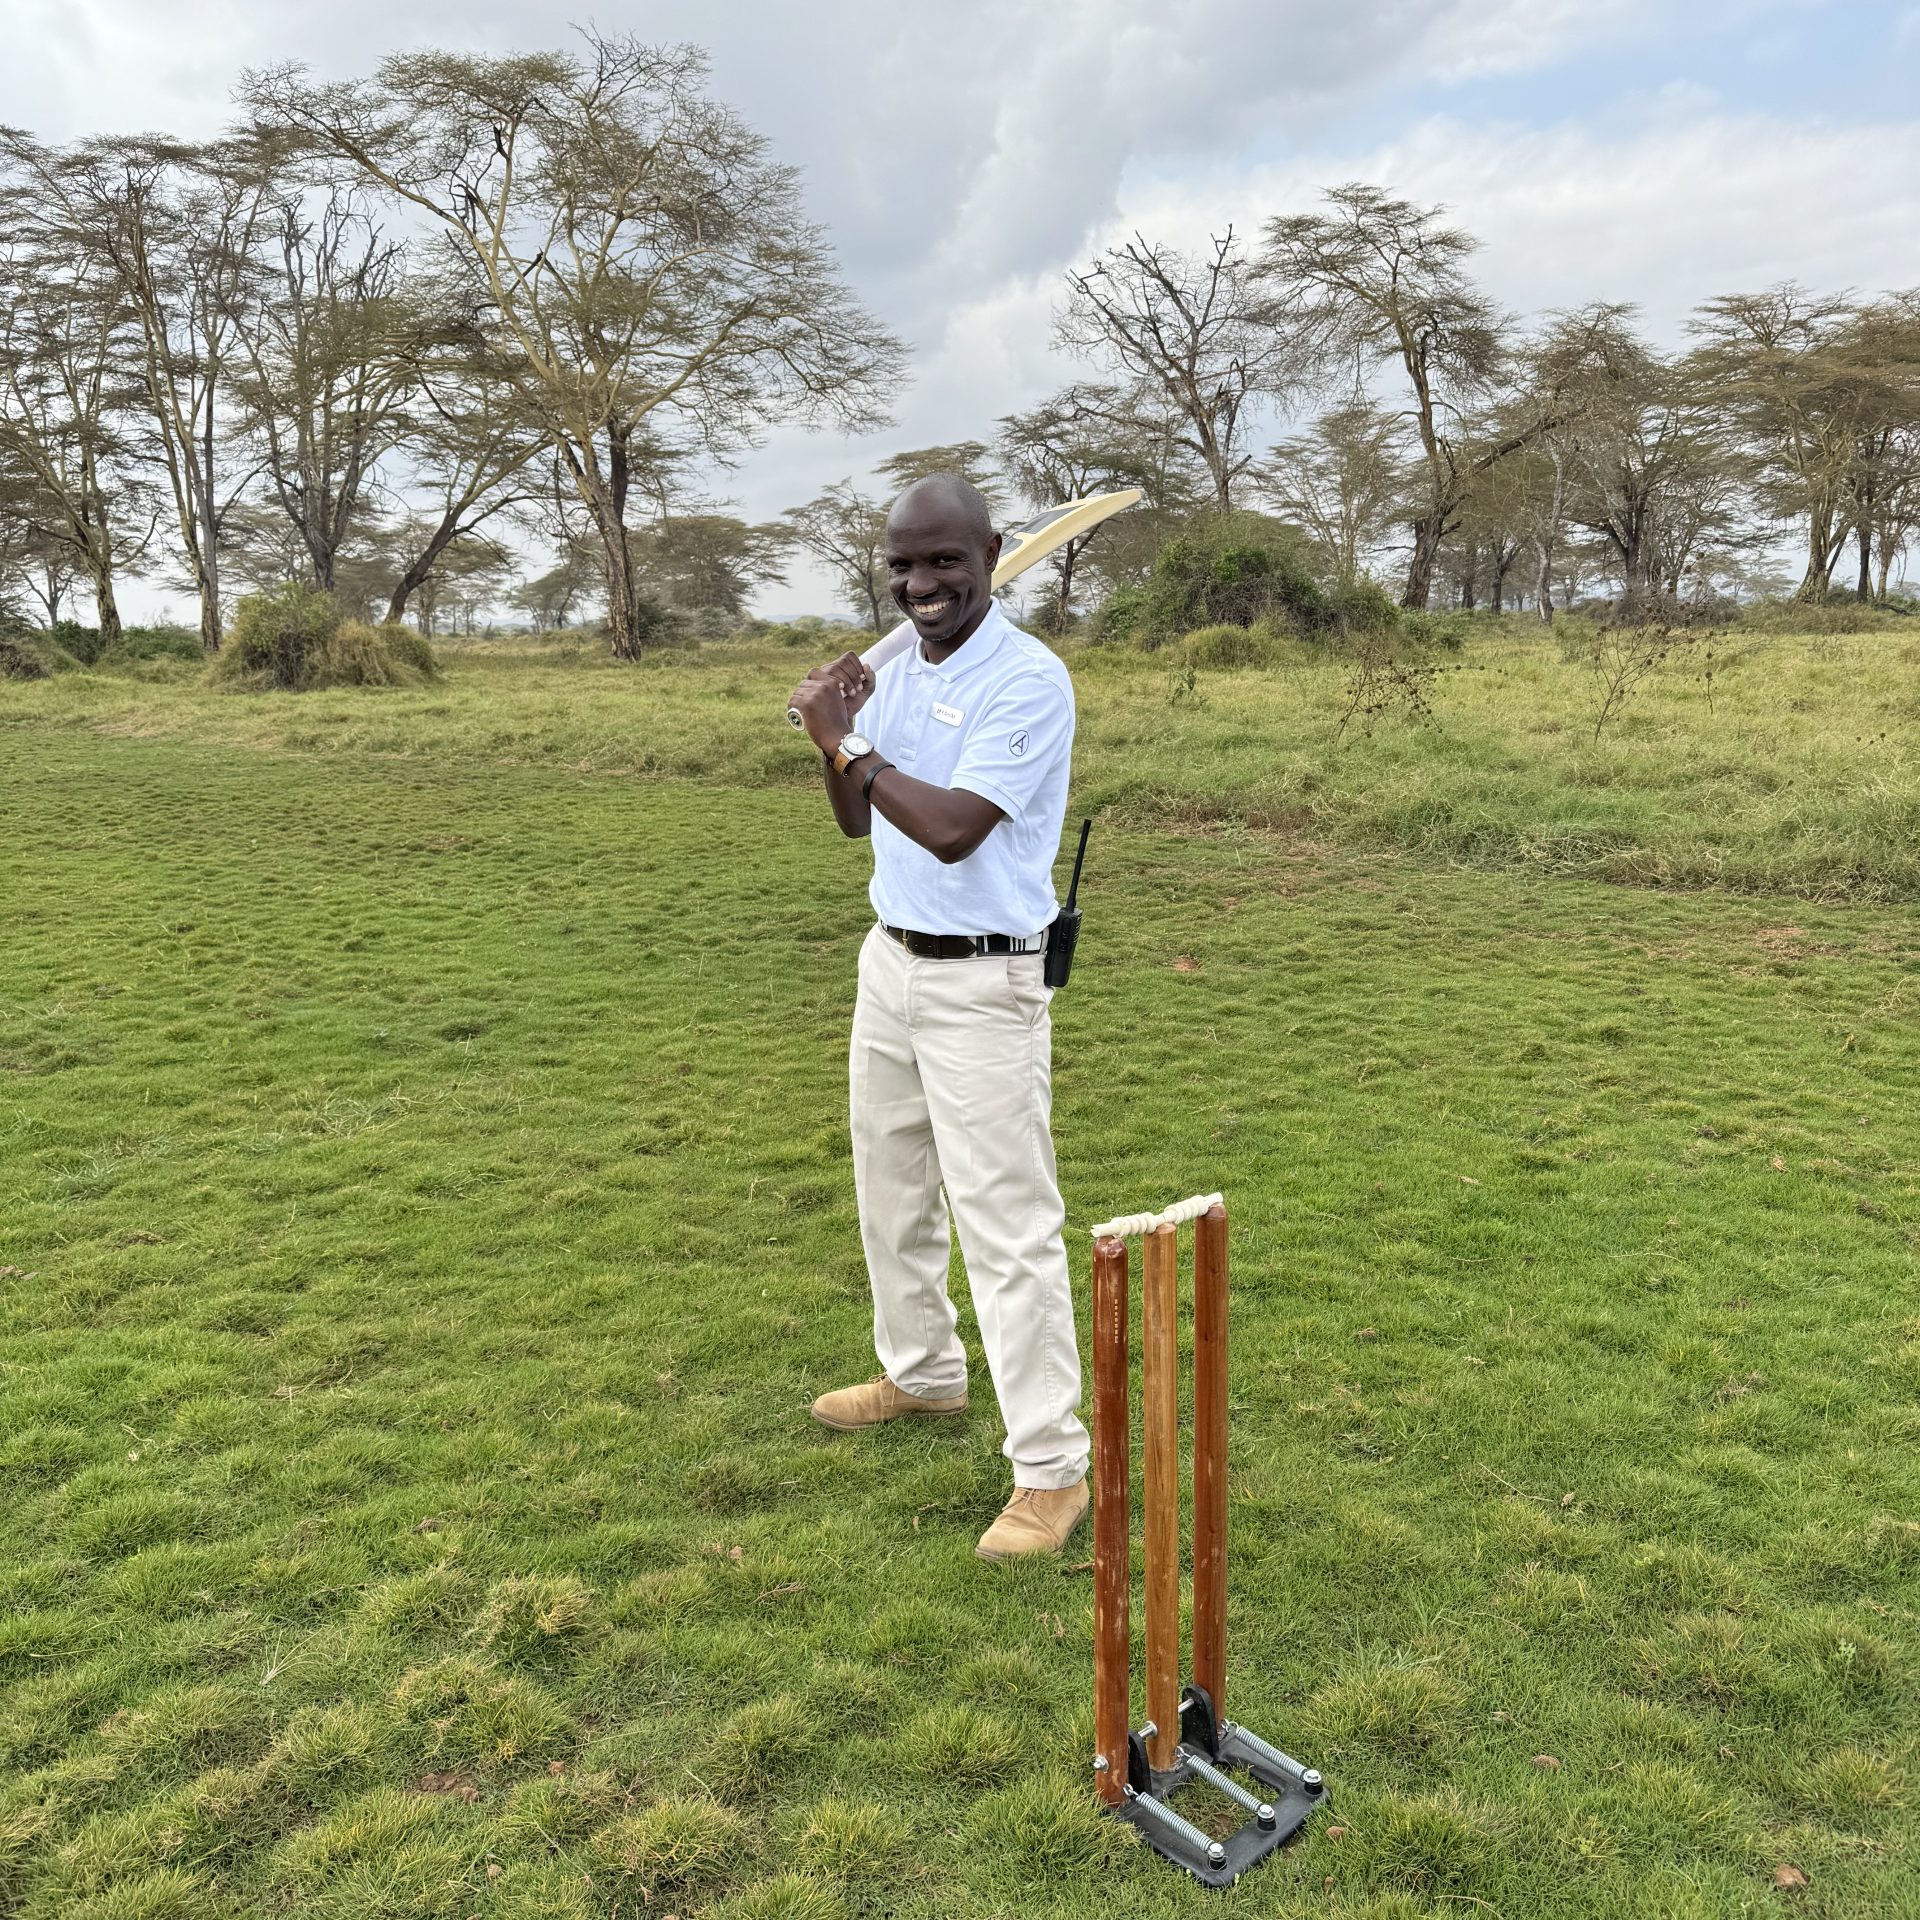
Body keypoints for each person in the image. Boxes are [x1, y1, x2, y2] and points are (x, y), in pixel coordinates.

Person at [785, 473, 1089, 1561]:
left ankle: (1052, 1471)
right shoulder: (899, 666)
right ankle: (923, 1374)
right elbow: (857, 828)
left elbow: (955, 828)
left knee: (1007, 1227)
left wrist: (850, 744)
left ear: (990, 555)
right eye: (903, 565)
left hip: (987, 981)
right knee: (892, 1186)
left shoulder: (1030, 681)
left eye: (944, 562)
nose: (921, 585)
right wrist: (835, 738)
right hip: (892, 962)